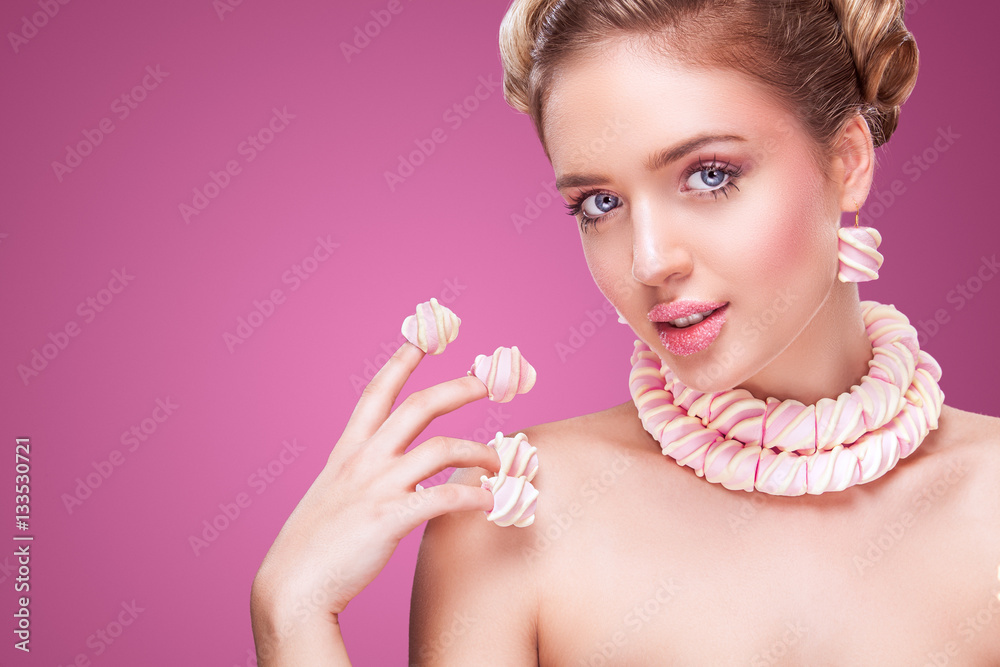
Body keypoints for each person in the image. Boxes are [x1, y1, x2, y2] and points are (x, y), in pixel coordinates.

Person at [250, 0, 1000, 663]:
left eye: (708, 174)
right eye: (600, 203)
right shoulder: (514, 509)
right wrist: (293, 618)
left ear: (846, 160)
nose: (648, 260)